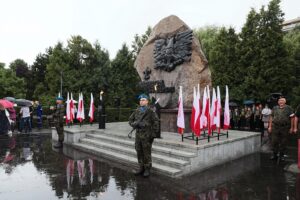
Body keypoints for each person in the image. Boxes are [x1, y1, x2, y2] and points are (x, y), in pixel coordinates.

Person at [129, 94, 159, 177]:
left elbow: (156, 122)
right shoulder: (137, 110)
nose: (141, 101)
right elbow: (130, 120)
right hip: (138, 135)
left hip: (147, 135)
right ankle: (141, 167)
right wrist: (135, 124)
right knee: (138, 151)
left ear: (147, 101)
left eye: (143, 100)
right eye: (140, 100)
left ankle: (147, 169)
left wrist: (153, 134)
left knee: (146, 153)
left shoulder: (150, 111)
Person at [268, 96, 294, 161]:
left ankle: (282, 155)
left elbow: (292, 118)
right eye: (280, 101)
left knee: (283, 142)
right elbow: (271, 117)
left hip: (285, 127)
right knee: (274, 141)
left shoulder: (289, 108)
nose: (281, 102)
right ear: (278, 102)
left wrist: (292, 128)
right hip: (275, 127)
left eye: (282, 100)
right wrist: (270, 126)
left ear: (285, 101)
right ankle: (275, 155)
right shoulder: (274, 108)